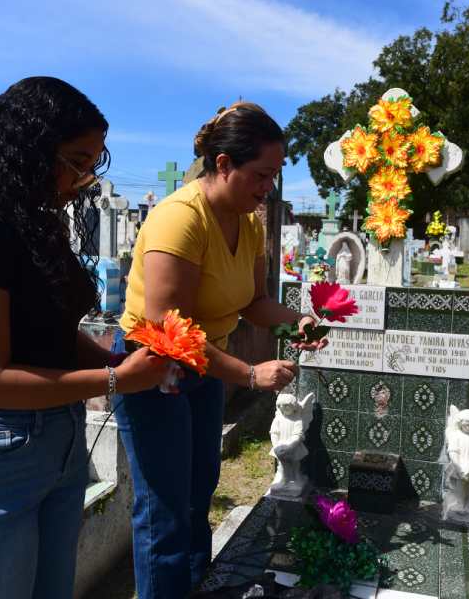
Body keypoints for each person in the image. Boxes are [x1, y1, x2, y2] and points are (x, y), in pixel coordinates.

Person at [0, 77, 170, 599]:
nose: (84, 179)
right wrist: (114, 379)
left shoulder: (31, 223)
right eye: (77, 160)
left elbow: (53, 334)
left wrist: (119, 362)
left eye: (94, 163)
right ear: (27, 147)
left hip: (59, 442)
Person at [114, 101, 326, 598]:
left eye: (274, 176)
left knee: (197, 493)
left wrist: (299, 321)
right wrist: (249, 376)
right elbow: (169, 329)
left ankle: (193, 587)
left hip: (204, 368)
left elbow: (253, 303)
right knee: (164, 507)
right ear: (224, 163)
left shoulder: (248, 221)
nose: (267, 189)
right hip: (156, 369)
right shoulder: (180, 220)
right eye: (260, 175)